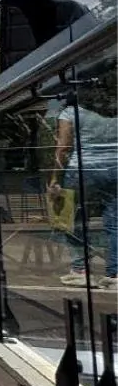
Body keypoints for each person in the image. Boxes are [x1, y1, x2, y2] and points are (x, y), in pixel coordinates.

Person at [48, 77, 118, 290]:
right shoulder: (112, 112)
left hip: (83, 169)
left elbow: (63, 147)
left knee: (74, 218)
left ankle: (80, 270)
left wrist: (54, 178)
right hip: (115, 167)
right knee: (114, 221)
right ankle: (115, 274)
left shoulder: (70, 113)